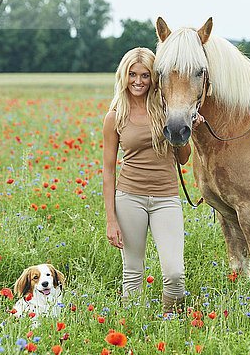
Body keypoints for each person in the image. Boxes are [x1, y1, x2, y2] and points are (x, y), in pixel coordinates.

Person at [102, 47, 202, 313]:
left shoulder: (167, 110)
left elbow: (183, 159)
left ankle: (172, 321)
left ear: (153, 78)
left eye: (145, 75)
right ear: (124, 76)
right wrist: (111, 219)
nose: (138, 81)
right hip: (129, 198)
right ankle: (133, 326)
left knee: (175, 273)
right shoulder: (114, 117)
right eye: (132, 75)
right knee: (133, 272)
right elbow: (109, 170)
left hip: (165, 198)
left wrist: (187, 129)